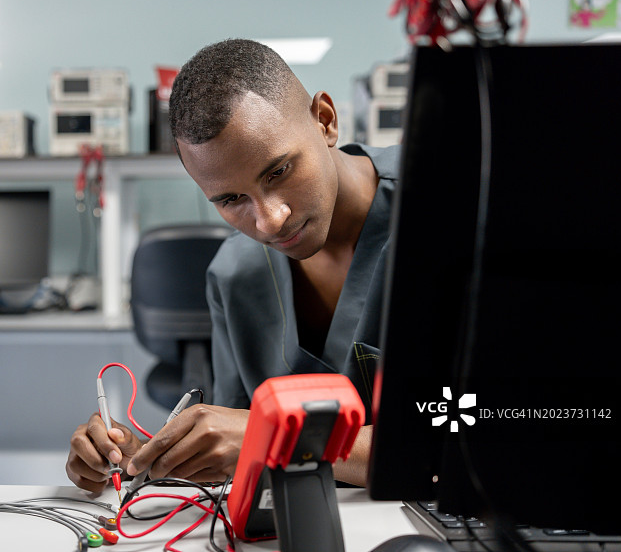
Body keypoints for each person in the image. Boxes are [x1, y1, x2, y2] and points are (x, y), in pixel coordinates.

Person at [66, 38, 400, 493]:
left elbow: (506, 423)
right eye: (230, 199)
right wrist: (138, 459)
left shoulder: (462, 210)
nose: (269, 220)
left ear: (324, 121)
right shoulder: (234, 274)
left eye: (279, 171)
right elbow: (235, 455)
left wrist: (277, 438)